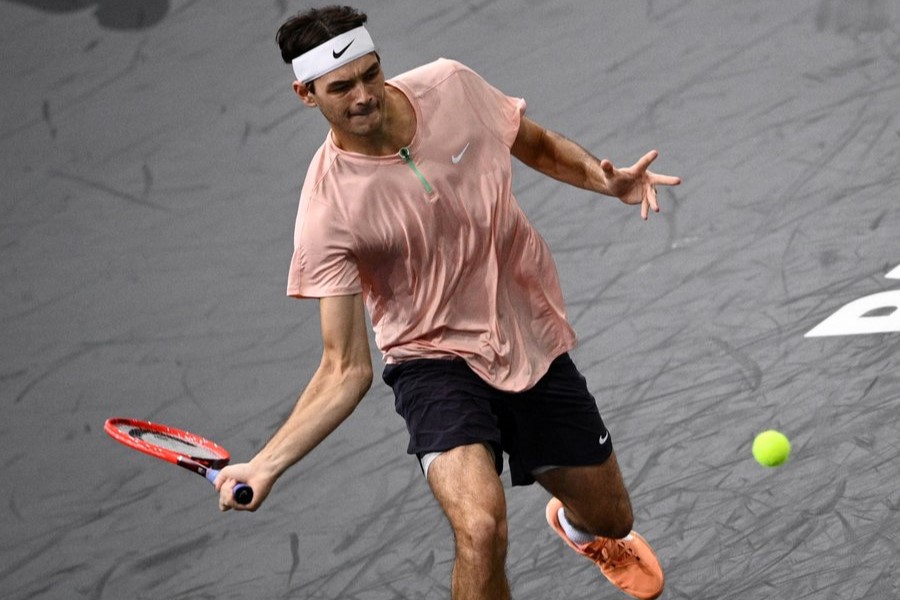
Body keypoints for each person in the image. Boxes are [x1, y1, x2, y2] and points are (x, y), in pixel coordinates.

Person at [215, 6, 681, 600]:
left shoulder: (450, 86)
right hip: (432, 361)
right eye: (341, 87)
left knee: (612, 517)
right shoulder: (327, 212)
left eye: (370, 74)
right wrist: (265, 464)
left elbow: (532, 142)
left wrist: (603, 179)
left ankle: (583, 529)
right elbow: (344, 368)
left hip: (523, 329)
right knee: (480, 528)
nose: (364, 96)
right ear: (306, 94)